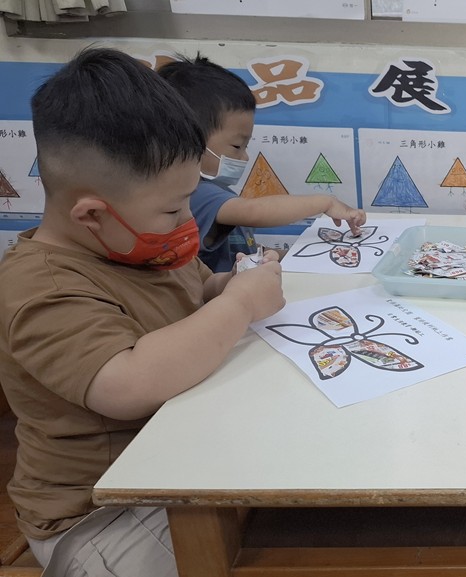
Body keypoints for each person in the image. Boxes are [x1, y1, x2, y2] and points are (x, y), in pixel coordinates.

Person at [0, 48, 286, 576]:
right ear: (91, 214)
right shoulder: (40, 286)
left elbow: (198, 294)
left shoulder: (141, 245)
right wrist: (241, 303)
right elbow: (127, 382)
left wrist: (230, 285)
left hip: (183, 459)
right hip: (104, 515)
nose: (186, 220)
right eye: (172, 208)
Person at [158, 54, 367, 272]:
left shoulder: (218, 192)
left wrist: (291, 256)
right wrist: (325, 203)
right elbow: (252, 211)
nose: (245, 157)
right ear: (190, 140)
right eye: (237, 146)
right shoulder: (195, 194)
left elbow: (242, 250)